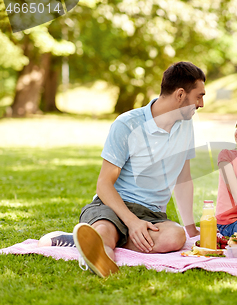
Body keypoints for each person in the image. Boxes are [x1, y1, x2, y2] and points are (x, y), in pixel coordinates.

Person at [38, 62, 206, 278]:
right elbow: (104, 184)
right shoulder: (127, 124)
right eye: (199, 96)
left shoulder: (186, 125)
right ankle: (103, 254)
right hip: (113, 206)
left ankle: (89, 241)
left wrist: (190, 228)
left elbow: (184, 179)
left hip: (152, 214)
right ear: (181, 95)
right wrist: (132, 222)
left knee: (175, 237)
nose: (202, 103)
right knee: (107, 230)